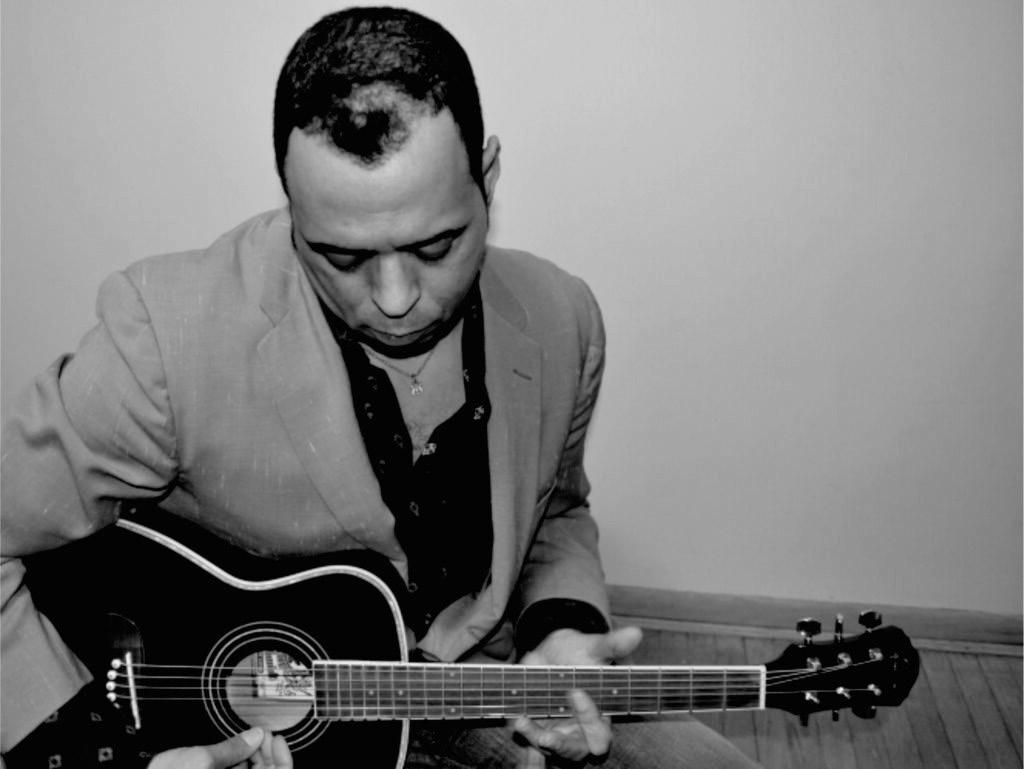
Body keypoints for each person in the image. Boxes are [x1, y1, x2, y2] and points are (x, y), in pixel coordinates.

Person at [1, 7, 761, 768]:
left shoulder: (563, 317)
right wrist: (87, 754)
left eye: (437, 245)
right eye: (342, 257)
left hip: (474, 683)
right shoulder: (167, 336)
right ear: (292, 207)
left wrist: (560, 627)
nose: (396, 299)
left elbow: (556, 510)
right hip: (259, 726)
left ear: (489, 178)